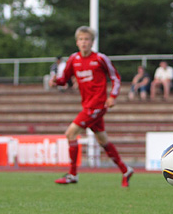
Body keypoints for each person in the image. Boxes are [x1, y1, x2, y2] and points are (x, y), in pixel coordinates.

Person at [50, 26, 134, 187]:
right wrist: (55, 81)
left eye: (87, 39)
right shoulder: (73, 59)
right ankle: (125, 169)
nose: (84, 42)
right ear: (77, 42)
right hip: (87, 105)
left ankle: (72, 174)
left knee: (71, 133)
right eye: (81, 39)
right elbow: (64, 79)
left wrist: (112, 97)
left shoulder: (100, 58)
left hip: (97, 105)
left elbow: (115, 77)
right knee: (103, 140)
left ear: (92, 42)